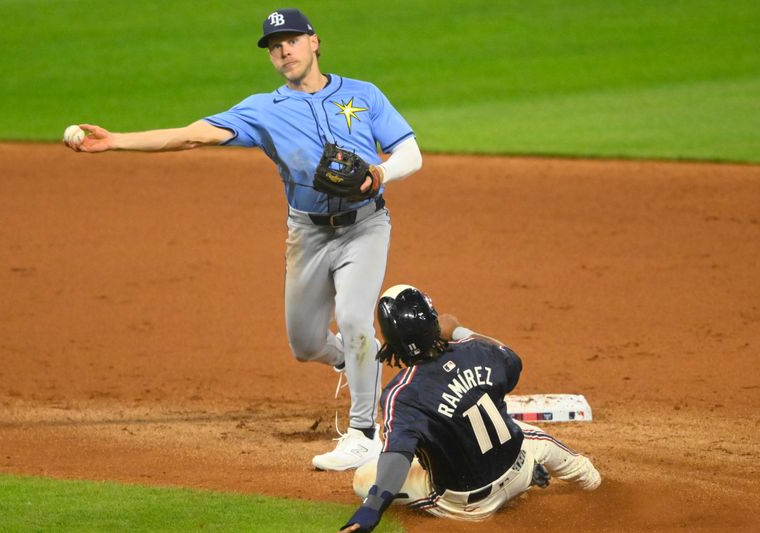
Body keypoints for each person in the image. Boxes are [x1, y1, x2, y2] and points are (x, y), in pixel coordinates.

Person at [63, 9, 422, 471]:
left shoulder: (363, 94)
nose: (283, 51)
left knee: (354, 320)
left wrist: (379, 173)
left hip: (365, 226)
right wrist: (116, 141)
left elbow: (410, 152)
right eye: (274, 46)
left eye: (291, 40)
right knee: (306, 344)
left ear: (315, 42)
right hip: (307, 234)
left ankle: (363, 433)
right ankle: (355, 364)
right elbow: (191, 137)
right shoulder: (262, 110)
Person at [339, 285, 601, 532]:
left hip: (466, 506)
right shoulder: (474, 350)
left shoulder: (402, 394)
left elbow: (396, 458)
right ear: (433, 322)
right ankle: (594, 484)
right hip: (518, 468)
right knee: (529, 436)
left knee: (364, 477)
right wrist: (457, 331)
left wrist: (371, 510)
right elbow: (511, 360)